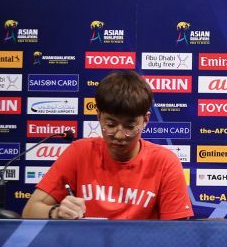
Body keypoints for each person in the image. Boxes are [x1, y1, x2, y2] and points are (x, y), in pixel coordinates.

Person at [22, 70, 192, 220]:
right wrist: (56, 212)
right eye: (110, 125)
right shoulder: (79, 152)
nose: (119, 135)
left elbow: (177, 234)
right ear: (98, 116)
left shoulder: (165, 163)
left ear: (145, 120)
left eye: (130, 127)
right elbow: (30, 210)